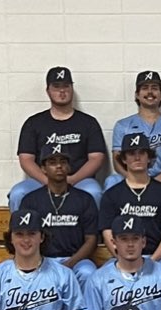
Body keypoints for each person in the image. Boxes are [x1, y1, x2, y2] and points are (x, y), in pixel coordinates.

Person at [11, 66, 105, 211]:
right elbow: (26, 159)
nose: (62, 91)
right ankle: (20, 232)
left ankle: (95, 234)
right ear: (48, 91)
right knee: (18, 193)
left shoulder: (88, 122)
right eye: (56, 87)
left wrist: (72, 180)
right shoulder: (33, 123)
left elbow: (96, 158)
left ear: (72, 89)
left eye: (66, 86)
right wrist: (48, 182)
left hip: (78, 180)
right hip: (42, 180)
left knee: (94, 192)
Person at [99, 132, 161, 282]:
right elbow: (107, 233)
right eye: (131, 153)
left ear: (149, 157)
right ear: (123, 159)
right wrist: (123, 260)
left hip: (158, 257)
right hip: (123, 258)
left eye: (142, 153)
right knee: (102, 276)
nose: (137, 157)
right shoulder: (111, 195)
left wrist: (151, 262)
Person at [17, 144, 98, 291]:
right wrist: (43, 263)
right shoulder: (31, 200)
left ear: (69, 167)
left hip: (76, 260)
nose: (59, 166)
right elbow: (26, 238)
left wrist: (69, 264)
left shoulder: (85, 199)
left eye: (63, 162)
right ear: (43, 168)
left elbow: (91, 240)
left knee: (88, 272)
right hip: (43, 260)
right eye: (53, 162)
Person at [107, 71, 161, 193]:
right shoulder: (123, 125)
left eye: (154, 88)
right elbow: (117, 161)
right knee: (112, 180)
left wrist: (156, 182)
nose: (150, 92)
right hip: (132, 177)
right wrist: (132, 180)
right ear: (137, 95)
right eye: (145, 88)